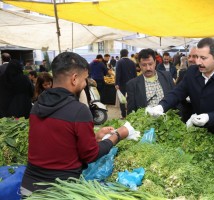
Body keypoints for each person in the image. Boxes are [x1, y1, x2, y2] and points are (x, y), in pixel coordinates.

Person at [21, 52, 139, 195]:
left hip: (29, 188)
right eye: (85, 78)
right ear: (74, 79)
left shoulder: (37, 105)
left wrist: (93, 138)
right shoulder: (79, 111)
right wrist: (118, 135)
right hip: (59, 191)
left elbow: (58, 143)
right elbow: (90, 155)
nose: (85, 83)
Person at [146, 38, 214, 135]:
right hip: (198, 133)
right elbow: (178, 92)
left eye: (203, 58)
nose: (198, 62)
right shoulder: (192, 72)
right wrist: (162, 106)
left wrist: (210, 117)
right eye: (197, 57)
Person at [126, 48, 175, 114]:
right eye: (144, 65)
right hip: (145, 122)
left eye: (150, 64)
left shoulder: (167, 76)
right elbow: (131, 112)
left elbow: (174, 98)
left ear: (155, 63)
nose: (148, 68)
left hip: (167, 119)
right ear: (139, 65)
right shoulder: (132, 84)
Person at [115, 49, 137, 119]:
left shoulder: (119, 62)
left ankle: (123, 115)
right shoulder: (132, 62)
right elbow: (135, 74)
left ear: (120, 54)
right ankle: (130, 114)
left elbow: (117, 74)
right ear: (127, 54)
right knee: (130, 99)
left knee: (122, 99)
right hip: (131, 83)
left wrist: (116, 83)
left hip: (122, 83)